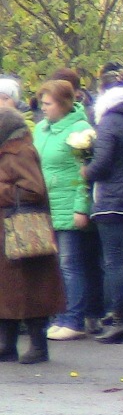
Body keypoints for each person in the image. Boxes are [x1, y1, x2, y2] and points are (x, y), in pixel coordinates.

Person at [33, 80, 102, 341]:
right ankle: (59, 315)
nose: (44, 108)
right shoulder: (41, 129)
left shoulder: (81, 131)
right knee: (54, 265)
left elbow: (83, 174)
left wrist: (81, 208)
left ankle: (74, 319)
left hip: (68, 205)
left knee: (71, 264)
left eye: (48, 104)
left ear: (63, 104)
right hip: (46, 206)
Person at [84, 70, 123, 344]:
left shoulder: (109, 123)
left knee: (113, 260)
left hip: (110, 198)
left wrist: (85, 171)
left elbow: (102, 163)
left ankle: (119, 316)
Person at [0, 107, 66, 364]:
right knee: (7, 291)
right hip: (8, 231)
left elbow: (33, 190)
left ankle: (38, 346)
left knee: (30, 290)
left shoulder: (21, 151)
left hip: (21, 231)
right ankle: (7, 345)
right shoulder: (9, 150)